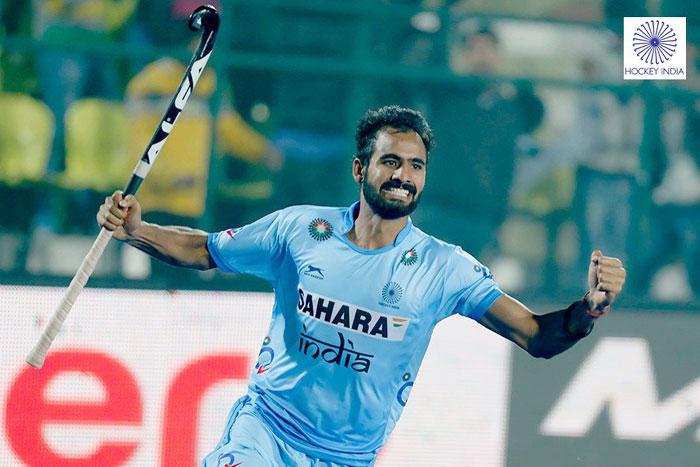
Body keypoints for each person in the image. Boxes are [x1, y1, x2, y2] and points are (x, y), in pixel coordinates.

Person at [96, 106, 626, 466]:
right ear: (360, 168)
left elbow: (536, 335)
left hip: (347, 457)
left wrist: (589, 310)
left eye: (415, 166)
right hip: (267, 432)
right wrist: (138, 230)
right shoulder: (299, 229)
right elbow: (203, 249)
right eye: (390, 161)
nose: (403, 175)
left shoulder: (444, 267)